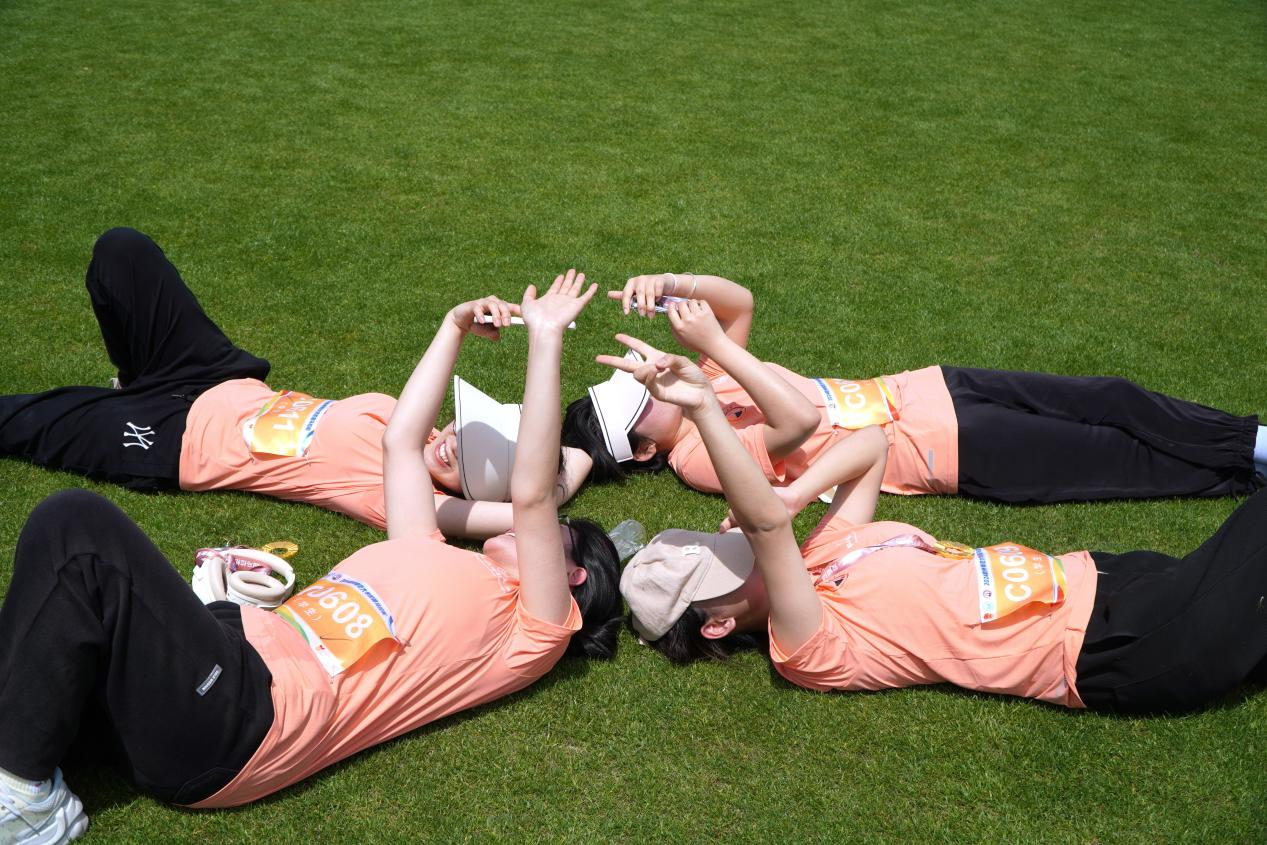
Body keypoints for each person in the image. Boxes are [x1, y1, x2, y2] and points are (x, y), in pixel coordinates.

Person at [0, 274, 621, 843]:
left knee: (76, 529)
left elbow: (533, 493)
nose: (532, 528)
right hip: (224, 663)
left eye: (553, 533)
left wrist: (546, 339)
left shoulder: (532, 631)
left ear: (572, 575)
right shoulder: (423, 545)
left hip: (247, 719)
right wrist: (452, 327)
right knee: (51, 633)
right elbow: (401, 443)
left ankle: (30, 810)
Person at [606, 347, 1267, 714]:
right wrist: (703, 408)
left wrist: (799, 490)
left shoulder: (823, 551)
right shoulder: (806, 646)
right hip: (1112, 646)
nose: (747, 551)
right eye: (729, 567)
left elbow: (868, 446)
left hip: (1102, 578)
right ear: (718, 624)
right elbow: (765, 522)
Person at [0, 228, 591, 539]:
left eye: (464, 462)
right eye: (466, 433)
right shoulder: (418, 424)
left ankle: (128, 403)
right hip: (213, 375)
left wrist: (544, 490)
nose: (450, 445)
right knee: (121, 251)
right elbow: (578, 456)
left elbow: (529, 516)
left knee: (20, 418)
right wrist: (457, 322)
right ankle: (132, 382)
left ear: (469, 492)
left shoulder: (409, 497)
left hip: (174, 441)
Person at [564, 273, 1265, 503]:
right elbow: (797, 419)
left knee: (1109, 395)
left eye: (636, 382)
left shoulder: (701, 381)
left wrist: (673, 286)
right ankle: (1246, 468)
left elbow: (739, 301)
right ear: (643, 452)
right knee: (1117, 457)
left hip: (930, 388)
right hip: (944, 449)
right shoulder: (698, 457)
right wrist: (712, 352)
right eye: (639, 407)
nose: (650, 388)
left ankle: (1252, 441)